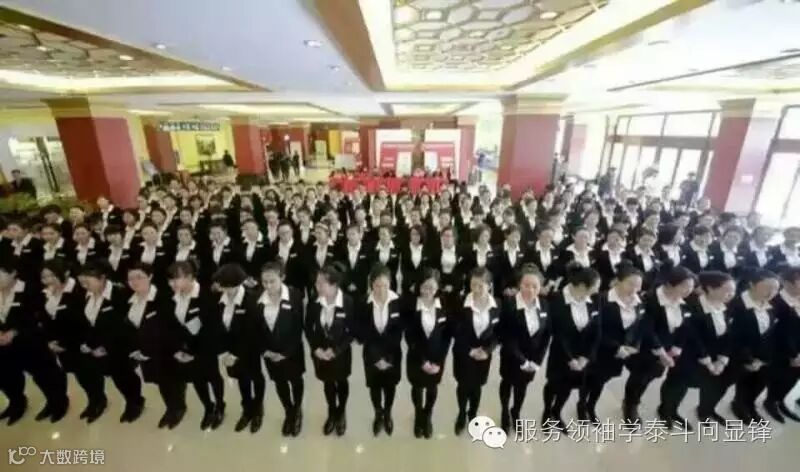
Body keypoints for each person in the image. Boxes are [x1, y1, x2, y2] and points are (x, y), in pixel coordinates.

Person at [77, 261, 145, 423]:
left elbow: (121, 326)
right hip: (99, 347)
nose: (85, 286)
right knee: (116, 377)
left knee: (125, 376)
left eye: (88, 282)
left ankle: (135, 402)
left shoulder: (119, 294)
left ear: (102, 278)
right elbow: (90, 324)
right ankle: (127, 400)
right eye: (83, 283)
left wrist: (104, 346)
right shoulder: (86, 295)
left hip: (118, 345)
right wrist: (90, 344)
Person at [542, 264, 601, 428]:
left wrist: (585, 357)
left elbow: (597, 330)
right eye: (595, 286)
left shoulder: (594, 300)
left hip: (582, 356)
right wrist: (570, 359)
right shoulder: (557, 299)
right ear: (582, 286)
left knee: (568, 387)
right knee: (554, 384)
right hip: (561, 353)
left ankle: (556, 412)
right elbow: (557, 332)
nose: (597, 290)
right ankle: (547, 412)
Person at [254, 261, 306, 436]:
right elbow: (255, 329)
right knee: (279, 382)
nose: (268, 286)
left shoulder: (295, 295)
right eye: (264, 282)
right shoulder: (257, 298)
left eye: (272, 281)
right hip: (270, 353)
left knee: (296, 381)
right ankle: (288, 411)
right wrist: (264, 350)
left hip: (292, 351)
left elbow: (298, 328)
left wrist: (285, 353)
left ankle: (297, 410)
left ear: (282, 278)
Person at [499, 264, 551, 432]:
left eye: (535, 286)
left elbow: (546, 336)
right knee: (507, 383)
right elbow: (506, 336)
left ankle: (516, 412)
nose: (530, 289)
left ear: (540, 287)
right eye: (526, 285)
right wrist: (522, 360)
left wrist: (537, 361)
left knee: (522, 387)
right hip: (512, 356)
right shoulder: (509, 304)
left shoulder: (545, 305)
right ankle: (504, 411)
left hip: (532, 360)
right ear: (519, 285)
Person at [211, 264, 263, 433]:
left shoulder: (251, 299)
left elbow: (251, 332)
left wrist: (235, 354)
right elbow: (217, 327)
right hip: (229, 352)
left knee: (256, 377)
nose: (226, 291)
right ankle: (247, 409)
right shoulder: (219, 300)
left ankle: (258, 409)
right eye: (224, 287)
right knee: (242, 380)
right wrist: (223, 352)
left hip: (248, 349)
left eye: (230, 287)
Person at [305, 264, 355, 436]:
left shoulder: (347, 302)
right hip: (320, 353)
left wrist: (336, 351)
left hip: (340, 353)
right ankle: (332, 411)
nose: (316, 286)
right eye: (316, 283)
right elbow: (308, 328)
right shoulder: (314, 301)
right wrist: (315, 348)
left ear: (334, 284)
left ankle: (341, 412)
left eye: (321, 283)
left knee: (341, 381)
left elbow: (352, 332)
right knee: (327, 382)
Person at [452, 267, 501, 436]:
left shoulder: (497, 305)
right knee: (463, 385)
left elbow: (498, 333)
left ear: (489, 285)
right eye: (473, 285)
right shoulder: (461, 302)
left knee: (477, 385)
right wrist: (469, 350)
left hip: (484, 355)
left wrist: (487, 350)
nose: (477, 290)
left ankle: (472, 413)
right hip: (463, 353)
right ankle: (461, 413)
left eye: (481, 286)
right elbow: (455, 329)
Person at [358, 264, 404, 436]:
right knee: (375, 386)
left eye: (385, 285)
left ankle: (388, 413)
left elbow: (398, 331)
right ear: (371, 285)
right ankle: (378, 413)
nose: (381, 290)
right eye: (377, 286)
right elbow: (363, 332)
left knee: (390, 385)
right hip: (372, 355)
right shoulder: (364, 302)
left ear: (390, 283)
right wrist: (376, 358)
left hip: (393, 354)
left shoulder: (398, 302)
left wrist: (388, 359)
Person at [404, 268, 450, 439]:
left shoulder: (444, 305)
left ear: (438, 288)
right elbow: (409, 337)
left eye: (432, 287)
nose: (428, 291)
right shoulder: (411, 305)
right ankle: (418, 414)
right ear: (419, 286)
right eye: (424, 287)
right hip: (416, 357)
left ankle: (428, 414)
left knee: (432, 387)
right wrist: (423, 361)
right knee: (417, 387)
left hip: (437, 357)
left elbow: (447, 336)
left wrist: (438, 361)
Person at [729, 269, 779, 423]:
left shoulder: (771, 304)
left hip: (764, 355)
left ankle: (750, 405)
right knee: (744, 382)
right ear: (752, 285)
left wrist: (764, 357)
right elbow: (734, 337)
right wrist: (749, 359)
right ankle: (739, 405)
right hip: (744, 355)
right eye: (767, 287)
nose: (771, 292)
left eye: (775, 289)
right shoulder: (736, 305)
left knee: (759, 382)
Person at [688, 271, 737, 424]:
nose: (731, 295)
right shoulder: (693, 307)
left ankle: (707, 410)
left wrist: (722, 359)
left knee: (715, 384)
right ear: (709, 288)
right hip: (695, 355)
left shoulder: (727, 307)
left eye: (733, 291)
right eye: (727, 290)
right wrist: (708, 362)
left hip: (717, 356)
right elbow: (693, 338)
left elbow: (729, 335)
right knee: (682, 384)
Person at [764, 266, 800, 423]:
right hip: (783, 350)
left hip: (798, 349)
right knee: (780, 377)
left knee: (793, 378)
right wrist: (793, 354)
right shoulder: (776, 302)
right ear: (786, 283)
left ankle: (781, 400)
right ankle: (770, 402)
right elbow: (780, 332)